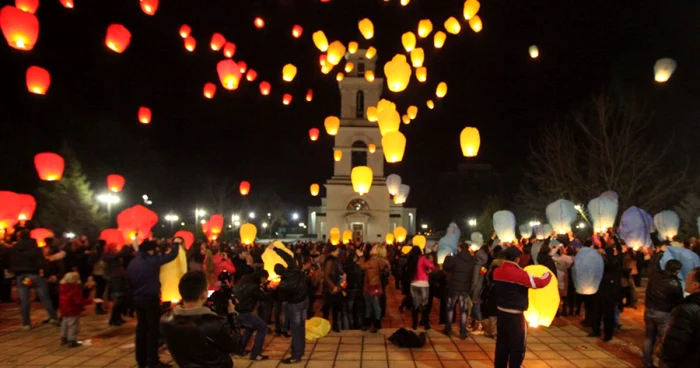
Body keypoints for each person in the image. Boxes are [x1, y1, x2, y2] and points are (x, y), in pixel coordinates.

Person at [161, 271, 240, 368]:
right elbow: (236, 345)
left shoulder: (165, 320)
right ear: (203, 295)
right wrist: (232, 315)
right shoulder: (213, 323)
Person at [493, 246, 552, 368]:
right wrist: (548, 274)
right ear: (516, 258)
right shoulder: (520, 274)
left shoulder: (497, 271)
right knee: (517, 347)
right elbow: (539, 283)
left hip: (501, 314)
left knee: (501, 345)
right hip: (516, 316)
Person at [127, 240, 179, 368]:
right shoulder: (151, 261)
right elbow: (171, 256)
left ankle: (141, 360)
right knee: (153, 331)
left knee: (141, 330)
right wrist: (176, 244)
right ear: (149, 250)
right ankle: (153, 361)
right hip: (150, 299)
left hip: (137, 299)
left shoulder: (133, 263)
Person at [9, 230, 60, 329]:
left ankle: (26, 323)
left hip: (22, 276)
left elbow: (9, 261)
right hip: (34, 275)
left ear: (19, 237)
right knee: (44, 297)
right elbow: (42, 262)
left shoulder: (14, 249)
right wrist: (45, 271)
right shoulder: (36, 248)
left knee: (24, 299)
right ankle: (53, 317)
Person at [643, 259, 683, 368]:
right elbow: (678, 301)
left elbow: (653, 263)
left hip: (649, 310)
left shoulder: (655, 276)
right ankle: (662, 364)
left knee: (649, 338)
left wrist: (660, 253)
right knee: (663, 341)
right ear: (677, 271)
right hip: (664, 314)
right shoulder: (675, 283)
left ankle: (647, 363)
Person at [272, 247, 309, 365]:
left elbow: (282, 299)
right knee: (301, 327)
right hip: (304, 300)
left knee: (296, 330)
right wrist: (275, 249)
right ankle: (301, 350)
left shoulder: (283, 285)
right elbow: (288, 256)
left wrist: (274, 287)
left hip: (295, 305)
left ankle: (296, 356)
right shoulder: (294, 269)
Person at [661, 266, 700, 368]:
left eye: (688, 276)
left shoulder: (686, 310)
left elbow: (674, 347)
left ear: (696, 285)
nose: (686, 278)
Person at [232, 269, 270, 361]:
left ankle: (239, 350)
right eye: (265, 279)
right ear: (262, 278)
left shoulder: (246, 278)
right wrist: (268, 290)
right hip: (243, 311)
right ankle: (255, 354)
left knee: (251, 326)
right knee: (263, 327)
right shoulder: (254, 286)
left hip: (236, 309)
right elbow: (263, 297)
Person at [442, 242, 475, 339]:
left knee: (450, 307)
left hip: (454, 287)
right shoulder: (472, 259)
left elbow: (446, 268)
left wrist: (447, 258)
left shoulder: (455, 258)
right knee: (463, 310)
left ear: (460, 248)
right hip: (465, 287)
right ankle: (463, 332)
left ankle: (448, 330)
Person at [358, 245, 390, 333]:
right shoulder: (377, 260)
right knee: (370, 305)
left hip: (371, 286)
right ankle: (370, 323)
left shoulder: (374, 260)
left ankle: (376, 324)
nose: (373, 249)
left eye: (374, 248)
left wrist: (360, 256)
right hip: (372, 285)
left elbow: (363, 266)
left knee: (375, 306)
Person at [58, 271, 93, 347]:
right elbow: (79, 301)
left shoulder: (62, 287)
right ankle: (72, 340)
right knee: (73, 325)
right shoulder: (74, 290)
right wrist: (90, 301)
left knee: (64, 324)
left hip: (64, 309)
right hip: (72, 310)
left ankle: (64, 339)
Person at [407, 246, 435, 330]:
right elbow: (431, 265)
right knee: (424, 304)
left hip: (413, 283)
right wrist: (429, 271)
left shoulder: (410, 259)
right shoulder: (422, 258)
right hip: (423, 283)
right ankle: (425, 324)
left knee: (415, 304)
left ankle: (414, 324)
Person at [322, 245, 344, 332]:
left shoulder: (336, 260)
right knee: (327, 308)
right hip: (330, 288)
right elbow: (326, 276)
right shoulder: (330, 261)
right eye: (337, 250)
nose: (338, 252)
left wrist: (343, 274)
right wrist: (332, 286)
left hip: (336, 286)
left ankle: (335, 325)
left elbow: (339, 270)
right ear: (332, 251)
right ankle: (325, 326)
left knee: (335, 308)